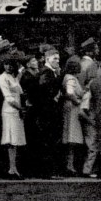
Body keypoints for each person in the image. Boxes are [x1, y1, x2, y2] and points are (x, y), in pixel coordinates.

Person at [36, 48, 63, 179]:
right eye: (55, 59)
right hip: (48, 112)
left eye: (58, 59)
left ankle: (48, 171)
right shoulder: (47, 72)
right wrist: (54, 96)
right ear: (47, 59)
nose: (57, 61)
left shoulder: (49, 71)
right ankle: (48, 171)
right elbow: (44, 88)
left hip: (47, 112)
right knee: (49, 141)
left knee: (48, 141)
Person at [0, 58, 26, 179]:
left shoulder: (13, 77)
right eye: (6, 64)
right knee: (11, 140)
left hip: (16, 109)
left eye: (10, 65)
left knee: (15, 140)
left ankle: (13, 168)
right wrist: (21, 108)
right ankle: (12, 168)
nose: (8, 67)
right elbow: (9, 98)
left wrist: (20, 73)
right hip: (10, 109)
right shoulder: (3, 77)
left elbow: (17, 88)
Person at [61, 56, 84, 176]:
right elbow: (70, 92)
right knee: (71, 137)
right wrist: (78, 101)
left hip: (68, 107)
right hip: (72, 108)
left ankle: (69, 165)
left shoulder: (68, 77)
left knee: (70, 137)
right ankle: (70, 166)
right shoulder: (71, 79)